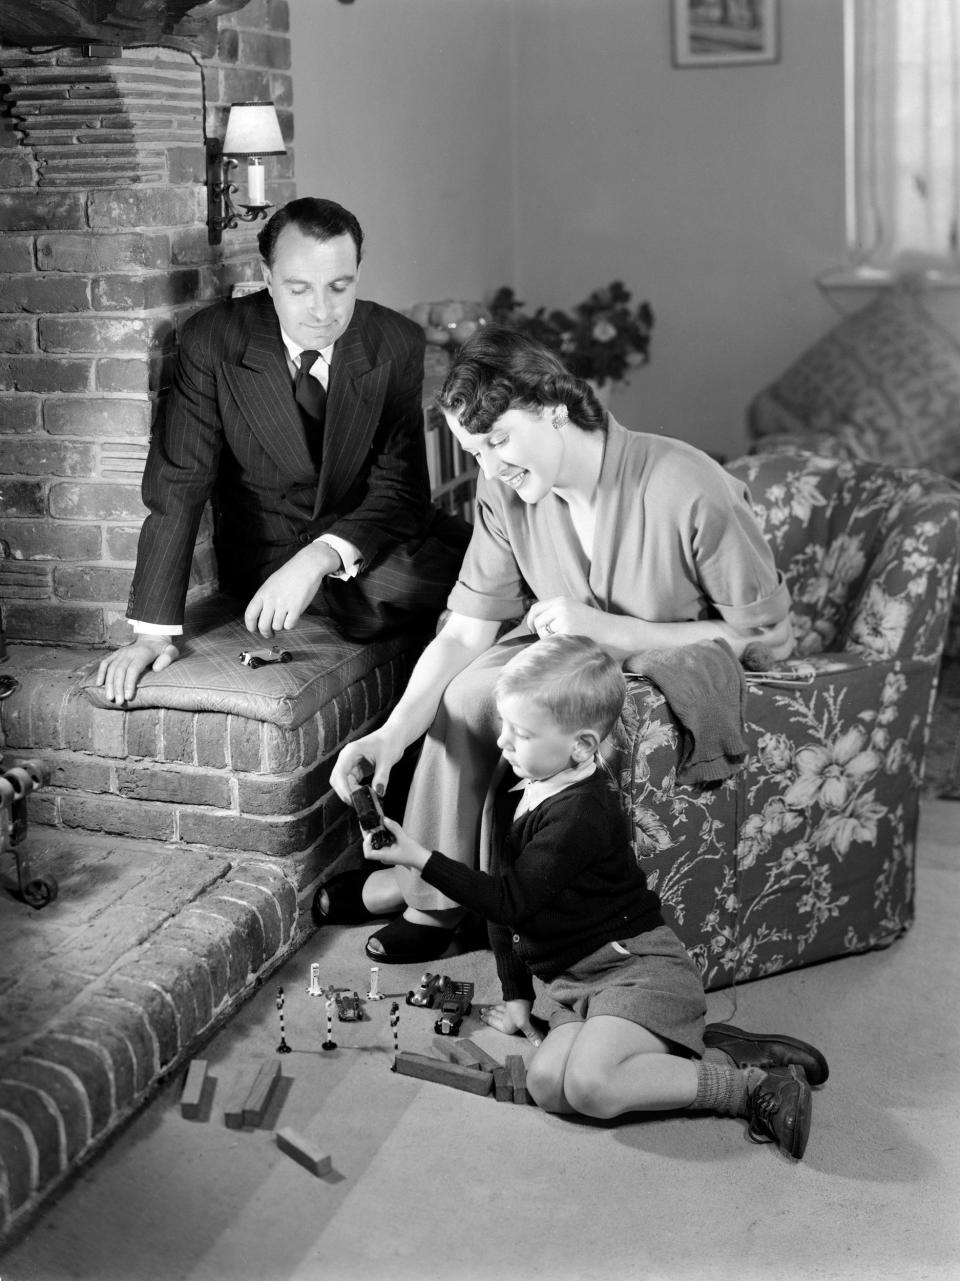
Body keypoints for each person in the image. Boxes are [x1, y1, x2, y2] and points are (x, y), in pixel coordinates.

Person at [326, 325, 793, 962]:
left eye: (498, 441)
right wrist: (391, 734)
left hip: (657, 664)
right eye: (474, 453)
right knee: (467, 694)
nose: (488, 468)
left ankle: (421, 891)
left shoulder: (687, 484)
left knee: (542, 715)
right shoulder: (504, 493)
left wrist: (609, 630)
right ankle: (433, 902)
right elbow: (467, 627)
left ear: (554, 409)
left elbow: (769, 637)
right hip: (565, 651)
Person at [362, 635, 827, 1159]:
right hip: (571, 987)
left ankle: (748, 1086)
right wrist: (518, 999)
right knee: (548, 1087)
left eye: (522, 734)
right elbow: (504, 913)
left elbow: (509, 901)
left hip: (635, 971)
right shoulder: (518, 788)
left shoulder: (580, 813)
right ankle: (703, 1047)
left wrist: (419, 858)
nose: (503, 745)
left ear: (581, 746)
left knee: (591, 1087)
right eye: (504, 728)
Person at [95, 196, 470, 704]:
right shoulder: (215, 340)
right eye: (299, 288)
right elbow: (179, 484)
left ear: (358, 273)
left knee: (502, 551)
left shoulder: (396, 340)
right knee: (408, 583)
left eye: (340, 286)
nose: (322, 310)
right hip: (273, 550)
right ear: (267, 278)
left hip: (370, 529)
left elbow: (401, 486)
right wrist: (153, 632)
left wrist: (320, 556)